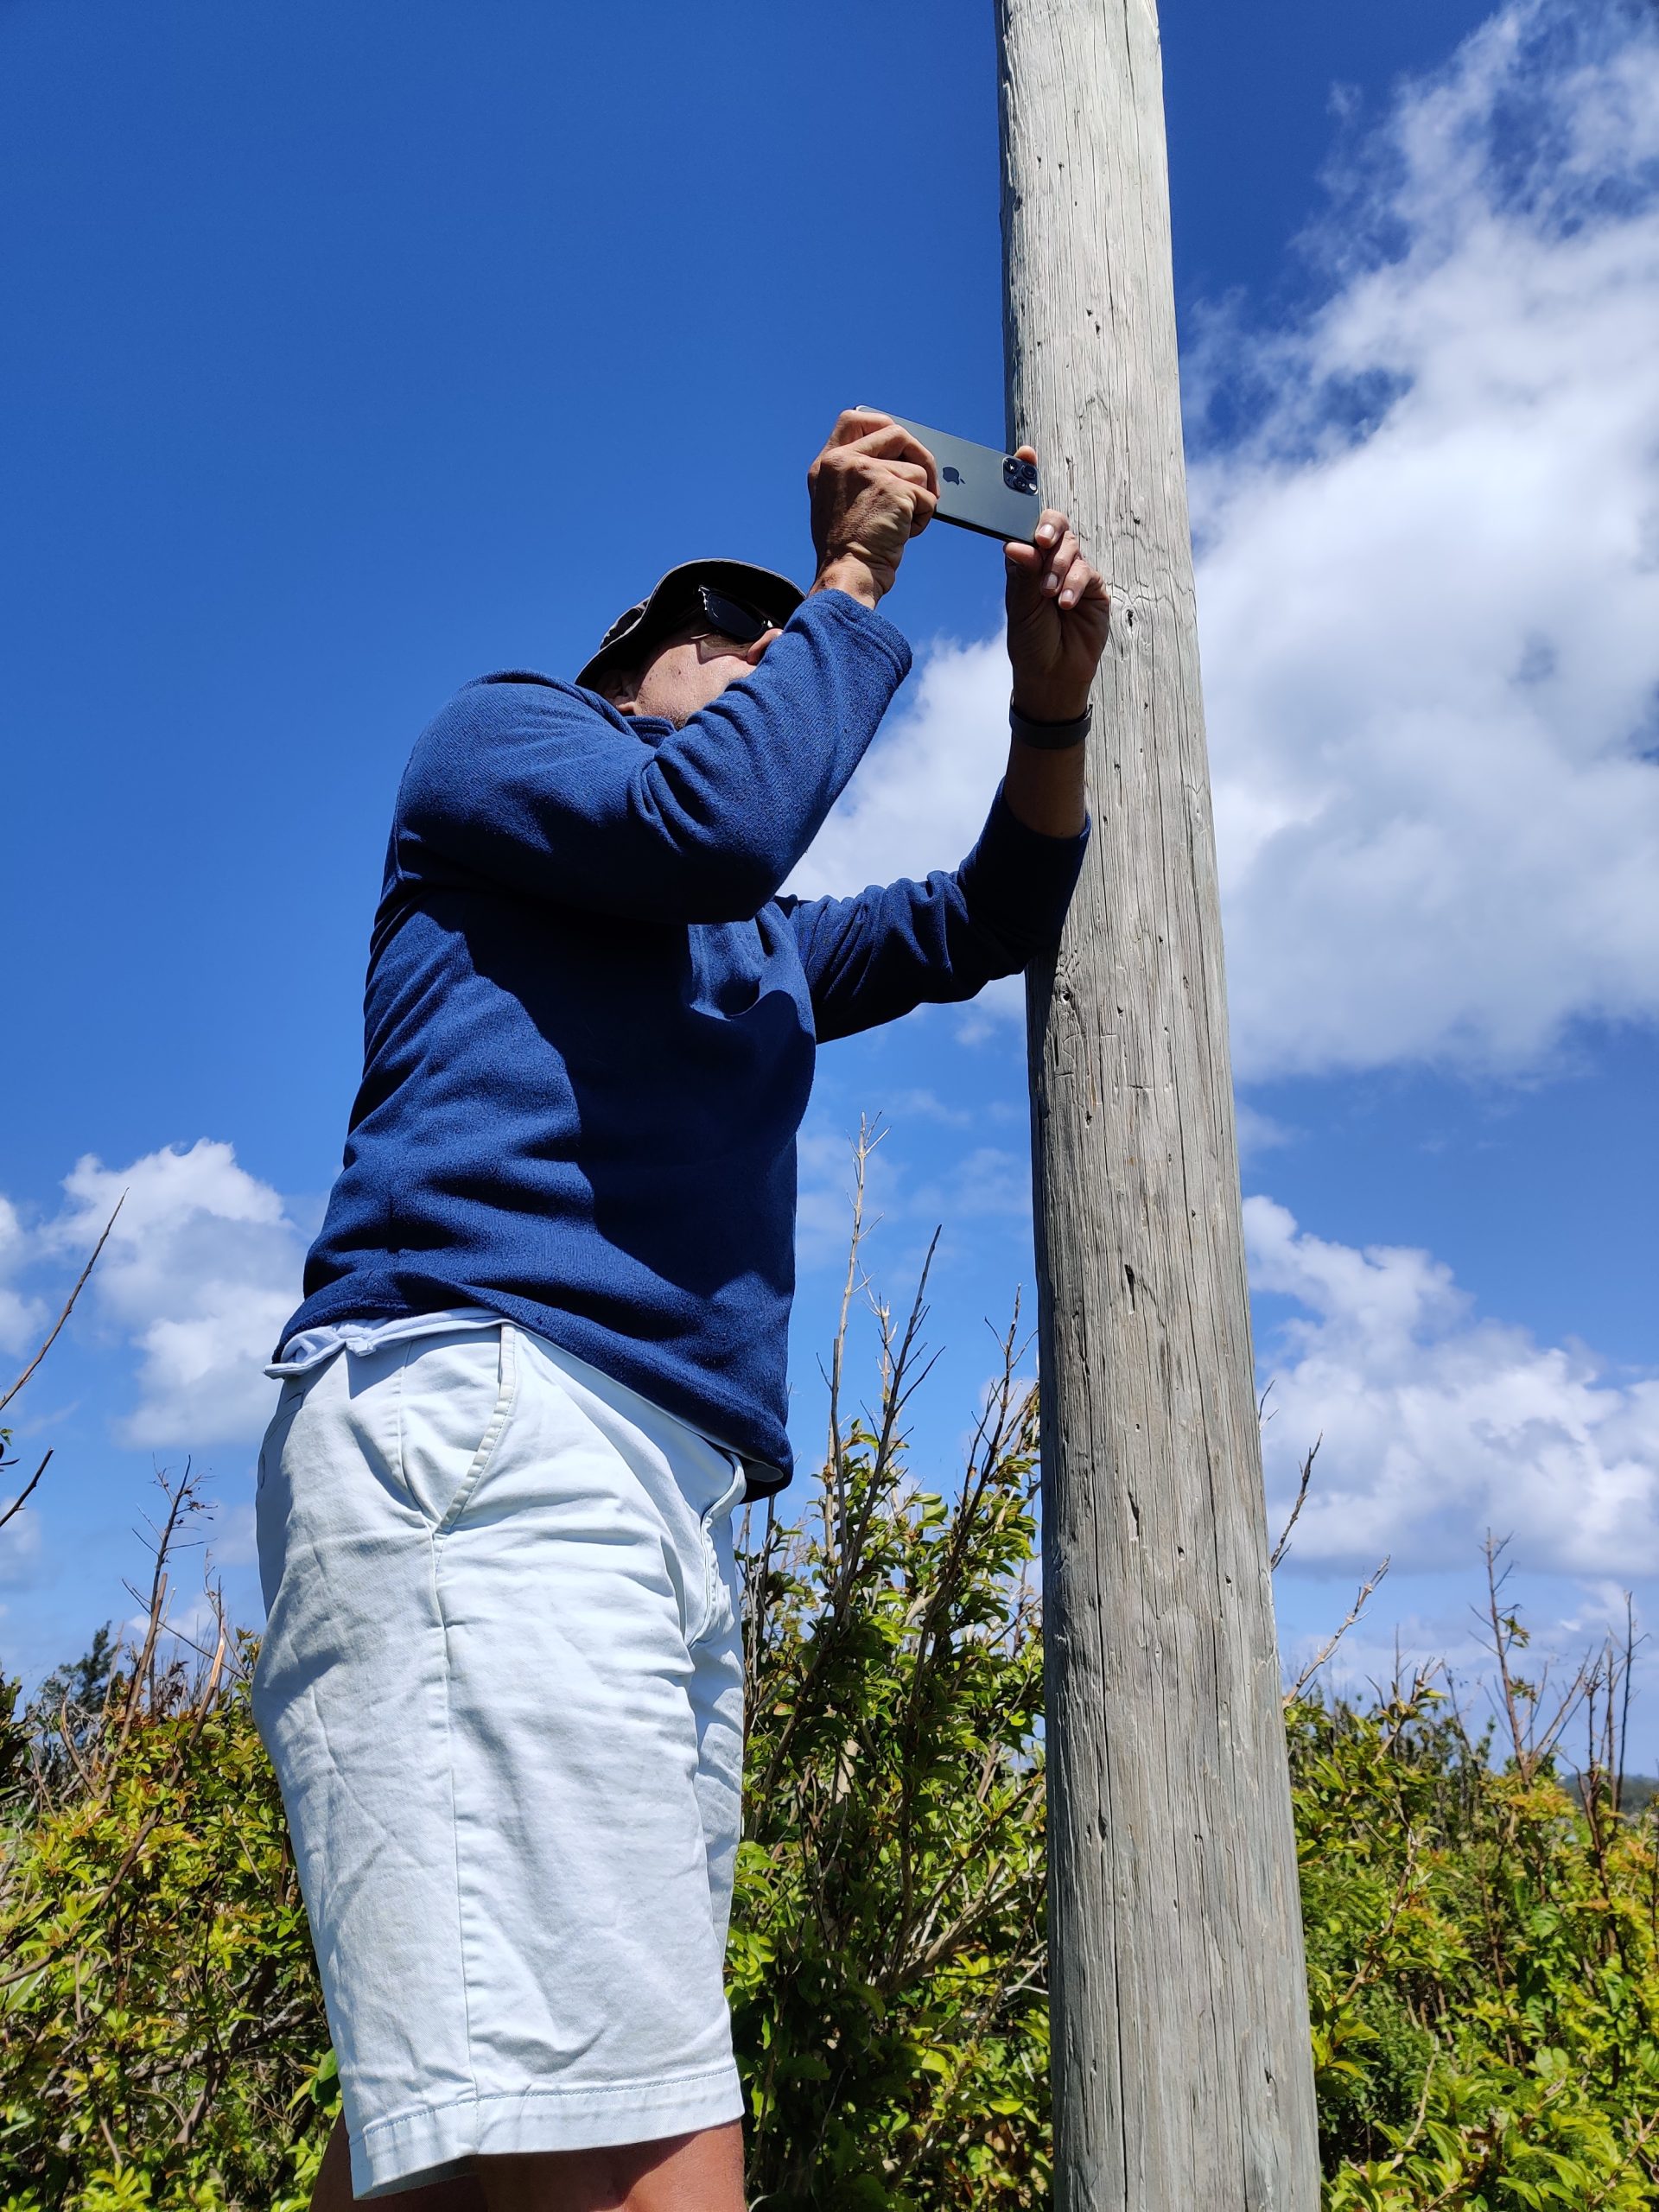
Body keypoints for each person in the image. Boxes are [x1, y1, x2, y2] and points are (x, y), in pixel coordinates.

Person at [252, 410, 1110, 2210]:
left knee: (475, 2113)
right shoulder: (503, 741)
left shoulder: (759, 942)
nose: (759, 638)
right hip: (495, 1414)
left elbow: (986, 912)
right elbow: (713, 820)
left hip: (655, 1487)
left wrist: (1051, 709)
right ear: (618, 674)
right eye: (717, 627)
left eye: (773, 624)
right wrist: (853, 578)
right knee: (631, 2120)